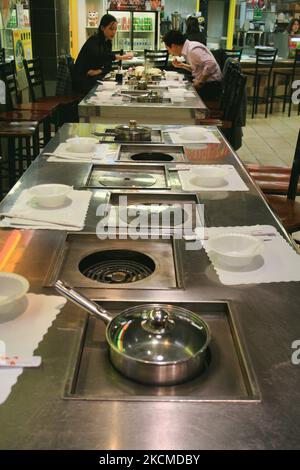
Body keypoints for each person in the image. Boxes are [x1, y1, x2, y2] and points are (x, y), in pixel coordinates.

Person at [72, 14, 133, 94]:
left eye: (115, 29)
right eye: (111, 29)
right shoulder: (93, 40)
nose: (114, 32)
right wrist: (120, 57)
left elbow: (108, 65)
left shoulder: (108, 42)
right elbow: (99, 55)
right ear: (102, 28)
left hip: (93, 77)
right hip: (82, 79)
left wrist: (98, 71)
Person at [163, 30, 222, 101]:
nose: (169, 53)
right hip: (208, 85)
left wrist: (200, 81)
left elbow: (211, 64)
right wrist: (182, 65)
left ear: (173, 46)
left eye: (168, 49)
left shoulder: (192, 49)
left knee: (180, 97)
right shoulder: (189, 48)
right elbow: (198, 69)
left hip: (211, 87)